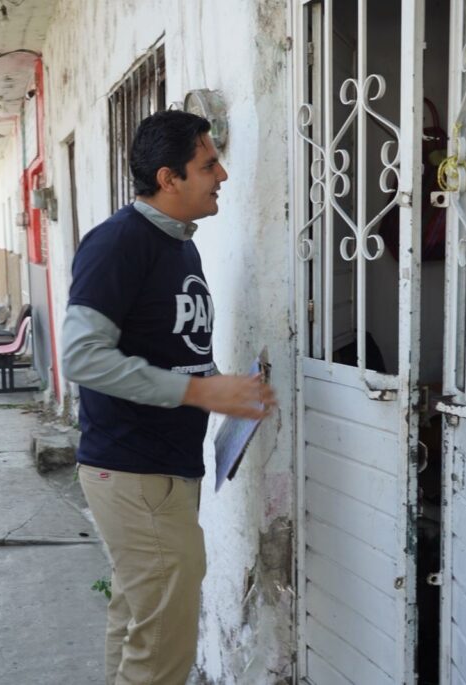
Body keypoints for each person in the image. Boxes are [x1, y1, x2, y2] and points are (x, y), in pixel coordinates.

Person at [62, 110, 277, 685]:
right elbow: (82, 357)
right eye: (208, 165)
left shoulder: (180, 246)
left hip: (163, 471)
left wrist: (224, 389)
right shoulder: (118, 243)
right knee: (162, 649)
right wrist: (202, 390)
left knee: (139, 621)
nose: (222, 176)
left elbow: (172, 349)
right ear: (168, 178)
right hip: (134, 469)